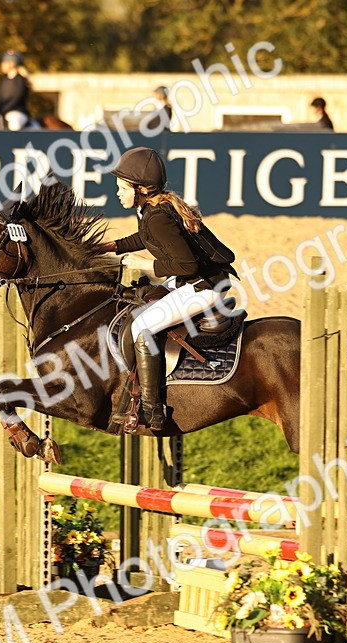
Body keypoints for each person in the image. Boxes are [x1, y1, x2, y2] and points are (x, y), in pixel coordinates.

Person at [94, 147, 237, 431]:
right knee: (141, 296)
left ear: (141, 189)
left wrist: (144, 264)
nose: (117, 193)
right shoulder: (152, 209)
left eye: (122, 187)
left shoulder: (157, 215)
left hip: (202, 286)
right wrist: (111, 247)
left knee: (142, 327)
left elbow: (186, 265)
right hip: (193, 281)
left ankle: (151, 409)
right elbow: (146, 237)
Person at [0, 50, 32, 131]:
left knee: (14, 126)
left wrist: (3, 110)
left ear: (12, 64)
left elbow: (17, 98)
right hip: (3, 112)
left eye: (4, 62)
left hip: (16, 112)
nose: (2, 65)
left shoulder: (20, 80)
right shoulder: (4, 80)